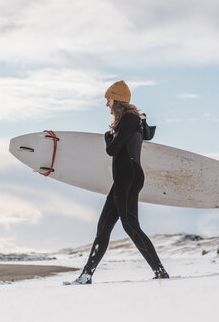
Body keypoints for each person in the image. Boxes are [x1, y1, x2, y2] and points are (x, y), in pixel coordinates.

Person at [64, 80, 169, 285]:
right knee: (103, 227)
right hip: (123, 179)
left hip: (128, 178)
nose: (107, 105)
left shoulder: (129, 119)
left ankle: (160, 271)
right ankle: (86, 275)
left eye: (109, 100)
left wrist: (108, 138)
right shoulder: (132, 120)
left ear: (118, 100)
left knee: (131, 226)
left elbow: (112, 150)